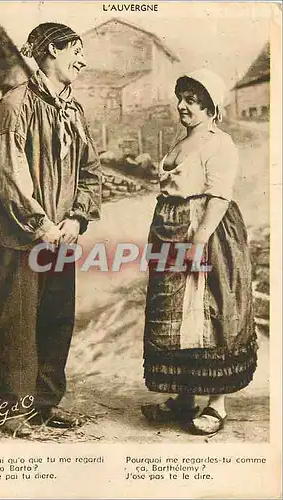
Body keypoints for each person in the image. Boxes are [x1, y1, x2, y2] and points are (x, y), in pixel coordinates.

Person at [0, 23, 102, 434]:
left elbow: (91, 171)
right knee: (19, 320)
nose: (82, 59)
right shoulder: (16, 105)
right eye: (75, 51)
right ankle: (14, 409)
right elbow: (7, 175)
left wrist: (77, 218)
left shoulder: (74, 111)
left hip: (61, 236)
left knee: (56, 319)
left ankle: (44, 405)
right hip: (21, 238)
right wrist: (42, 224)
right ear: (51, 51)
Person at [141, 69, 257, 435]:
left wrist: (199, 242)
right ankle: (185, 398)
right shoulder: (183, 141)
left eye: (192, 101)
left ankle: (216, 404)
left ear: (210, 108)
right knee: (175, 315)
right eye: (183, 99)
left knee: (206, 314)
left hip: (204, 236)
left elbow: (219, 196)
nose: (183, 106)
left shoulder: (218, 143)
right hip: (171, 233)